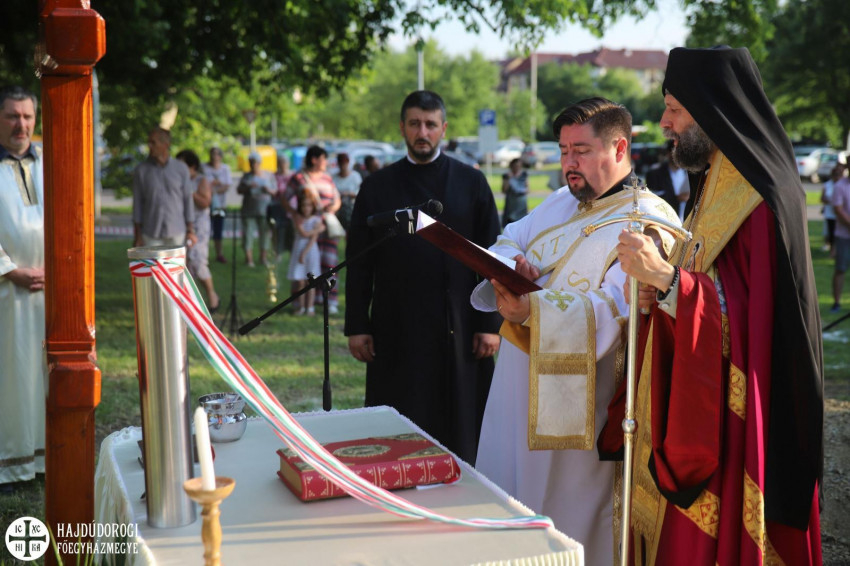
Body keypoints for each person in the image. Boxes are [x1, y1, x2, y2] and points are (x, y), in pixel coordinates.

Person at [609, 46, 823, 565]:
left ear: (712, 110)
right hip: (699, 401)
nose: (664, 123)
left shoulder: (758, 197)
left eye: (674, 109)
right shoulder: (713, 182)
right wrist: (661, 292)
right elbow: (709, 284)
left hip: (735, 418)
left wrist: (668, 281)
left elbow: (759, 323)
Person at [473, 98, 678, 566]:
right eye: (564, 150)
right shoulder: (561, 201)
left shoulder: (649, 220)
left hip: (580, 406)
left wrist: (532, 310)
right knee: (508, 496)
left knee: (564, 520)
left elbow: (618, 308)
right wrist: (511, 264)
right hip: (514, 387)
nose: (569, 163)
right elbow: (508, 238)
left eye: (581, 151)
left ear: (620, 148)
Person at [344, 90, 502, 463]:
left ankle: (463, 480)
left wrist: (490, 325)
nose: (422, 132)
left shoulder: (471, 182)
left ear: (443, 129)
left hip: (461, 323)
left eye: (430, 124)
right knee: (400, 417)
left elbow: (493, 256)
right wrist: (357, 325)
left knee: (463, 423)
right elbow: (359, 262)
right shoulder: (377, 186)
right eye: (415, 124)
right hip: (396, 322)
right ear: (402, 127)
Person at [0, 85, 47, 488]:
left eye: (28, 116)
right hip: (6, 292)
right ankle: (11, 461)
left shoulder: (50, 162)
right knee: (11, 374)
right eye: (12, 116)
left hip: (51, 289)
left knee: (44, 372)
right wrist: (9, 269)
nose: (21, 124)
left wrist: (60, 266)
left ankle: (46, 456)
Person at [285, 146, 342, 313]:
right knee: (304, 264)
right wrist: (295, 214)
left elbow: (337, 199)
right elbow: (284, 198)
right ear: (314, 159)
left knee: (328, 262)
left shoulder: (327, 178)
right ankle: (301, 302)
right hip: (307, 226)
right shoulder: (299, 178)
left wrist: (331, 210)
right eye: (324, 159)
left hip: (325, 227)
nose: (326, 162)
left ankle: (328, 299)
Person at [132, 127, 198, 248]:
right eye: (149, 142)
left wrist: (190, 230)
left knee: (176, 261)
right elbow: (137, 204)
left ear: (165, 144)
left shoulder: (181, 169)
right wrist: (138, 235)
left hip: (177, 232)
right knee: (152, 262)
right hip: (151, 233)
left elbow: (187, 200)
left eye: (153, 142)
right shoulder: (141, 171)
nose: (149, 146)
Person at [176, 149, 219, 312]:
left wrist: (190, 193)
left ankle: (212, 296)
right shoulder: (178, 180)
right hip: (182, 224)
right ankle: (189, 300)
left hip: (199, 226)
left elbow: (205, 202)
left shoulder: (202, 180)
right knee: (184, 262)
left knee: (198, 261)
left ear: (192, 166)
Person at [287, 190, 325, 316]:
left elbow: (313, 239)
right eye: (303, 205)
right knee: (300, 281)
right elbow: (303, 233)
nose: (306, 208)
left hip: (311, 250)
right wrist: (316, 230)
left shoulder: (316, 220)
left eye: (309, 205)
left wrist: (304, 252)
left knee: (311, 281)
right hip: (299, 247)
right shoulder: (298, 218)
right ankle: (301, 307)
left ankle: (310, 307)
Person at [237, 151, 275, 267]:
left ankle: (263, 258)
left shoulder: (269, 175)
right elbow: (239, 190)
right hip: (248, 210)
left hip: (265, 210)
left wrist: (267, 189)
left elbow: (275, 191)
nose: (253, 165)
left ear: (259, 163)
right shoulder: (246, 176)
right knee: (248, 235)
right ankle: (249, 259)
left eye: (255, 162)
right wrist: (248, 187)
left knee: (265, 235)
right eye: (251, 162)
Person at [645, 139, 690, 220]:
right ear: (669, 153)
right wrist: (678, 198)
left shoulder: (690, 172)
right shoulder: (654, 174)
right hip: (664, 220)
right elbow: (651, 200)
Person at [204, 147, 232, 263]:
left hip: (220, 205)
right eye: (212, 154)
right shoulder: (203, 167)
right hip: (205, 205)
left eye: (216, 154)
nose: (213, 157)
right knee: (205, 230)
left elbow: (227, 185)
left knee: (218, 229)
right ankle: (204, 254)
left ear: (220, 156)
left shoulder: (225, 169)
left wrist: (215, 190)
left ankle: (219, 253)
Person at [832, 164, 850, 313]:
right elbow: (838, 209)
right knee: (840, 269)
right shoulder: (840, 186)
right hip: (844, 235)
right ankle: (837, 302)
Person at [332, 152, 362, 231]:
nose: (342, 166)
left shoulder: (355, 176)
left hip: (351, 207)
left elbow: (360, 193)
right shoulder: (334, 177)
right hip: (338, 207)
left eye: (344, 163)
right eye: (341, 163)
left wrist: (348, 194)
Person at [271, 153, 294, 257]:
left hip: (291, 207)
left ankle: (292, 252)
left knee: (291, 230)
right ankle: (278, 253)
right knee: (278, 230)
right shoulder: (274, 176)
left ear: (288, 163)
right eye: (280, 163)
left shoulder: (293, 176)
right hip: (278, 207)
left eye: (284, 162)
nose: (282, 165)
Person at [821, 163, 843, 254]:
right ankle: (832, 249)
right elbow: (822, 198)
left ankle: (839, 248)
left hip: (841, 213)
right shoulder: (827, 185)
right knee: (831, 231)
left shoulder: (843, 185)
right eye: (835, 174)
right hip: (830, 212)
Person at [500, 157, 529, 227]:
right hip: (511, 203)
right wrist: (509, 179)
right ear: (511, 166)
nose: (517, 168)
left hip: (521, 203)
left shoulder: (524, 175)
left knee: (522, 223)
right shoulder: (506, 176)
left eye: (519, 166)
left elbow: (527, 188)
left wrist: (523, 190)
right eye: (516, 166)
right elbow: (504, 190)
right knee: (510, 222)